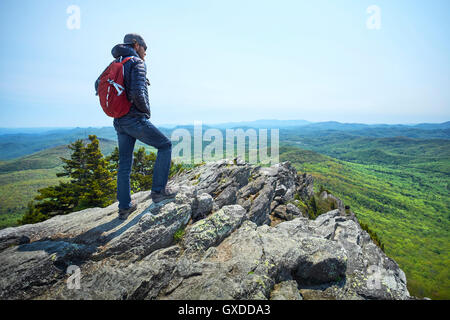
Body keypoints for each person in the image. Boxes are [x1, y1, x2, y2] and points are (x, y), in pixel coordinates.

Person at [96, 33, 177, 220]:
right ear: (136, 44)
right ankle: (159, 191)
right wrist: (146, 112)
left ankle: (125, 206)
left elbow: (97, 85)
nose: (146, 53)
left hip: (119, 121)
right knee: (165, 145)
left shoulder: (114, 63)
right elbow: (138, 92)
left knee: (124, 162)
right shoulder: (136, 62)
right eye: (144, 48)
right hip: (134, 118)